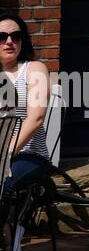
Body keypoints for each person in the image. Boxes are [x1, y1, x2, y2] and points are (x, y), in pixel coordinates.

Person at [1, 12, 51, 198]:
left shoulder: (33, 69)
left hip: (28, 154)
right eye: (2, 37)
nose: (9, 41)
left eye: (16, 36)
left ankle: (9, 226)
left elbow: (35, 118)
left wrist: (5, 155)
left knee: (2, 183)